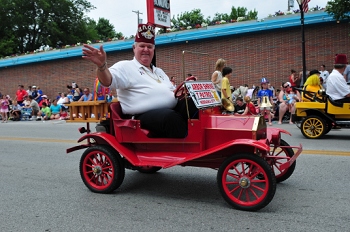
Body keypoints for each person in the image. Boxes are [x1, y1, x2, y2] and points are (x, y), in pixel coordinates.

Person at [82, 23, 198, 138]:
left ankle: (204, 137)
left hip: (170, 110)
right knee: (170, 118)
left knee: (195, 102)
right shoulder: (125, 66)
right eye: (142, 46)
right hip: (141, 117)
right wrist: (102, 66)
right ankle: (191, 144)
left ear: (153, 49)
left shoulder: (159, 71)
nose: (146, 50)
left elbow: (173, 92)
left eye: (149, 47)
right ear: (134, 48)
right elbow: (107, 81)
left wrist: (185, 91)